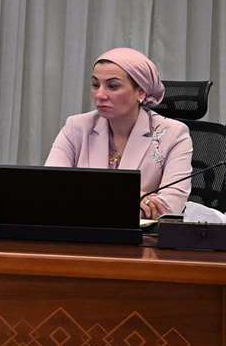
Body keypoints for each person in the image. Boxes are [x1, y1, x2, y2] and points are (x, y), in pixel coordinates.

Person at [45, 47, 193, 219]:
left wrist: (85, 196)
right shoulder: (76, 127)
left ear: (141, 92)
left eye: (112, 86)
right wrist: (127, 197)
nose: (99, 95)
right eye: (95, 85)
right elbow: (50, 188)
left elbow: (170, 208)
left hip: (143, 235)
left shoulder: (174, 134)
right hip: (82, 231)